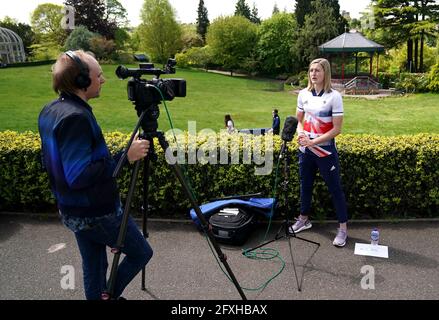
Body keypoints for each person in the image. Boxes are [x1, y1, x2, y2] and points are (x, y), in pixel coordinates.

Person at [38, 50, 153, 300]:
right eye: (98, 75)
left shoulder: (52, 109)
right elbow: (78, 175)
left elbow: (52, 161)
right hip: (95, 212)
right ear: (81, 81)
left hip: (73, 210)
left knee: (94, 266)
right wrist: (125, 155)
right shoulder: (75, 117)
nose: (103, 80)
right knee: (142, 253)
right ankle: (108, 296)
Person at [289, 58, 348, 247]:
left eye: (318, 71)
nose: (313, 73)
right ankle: (303, 219)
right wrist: (301, 135)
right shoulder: (303, 94)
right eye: (311, 70)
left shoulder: (334, 97)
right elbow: (299, 120)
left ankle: (343, 229)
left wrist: (313, 141)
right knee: (305, 185)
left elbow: (336, 130)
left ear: (326, 74)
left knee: (335, 189)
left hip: (325, 152)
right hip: (305, 150)